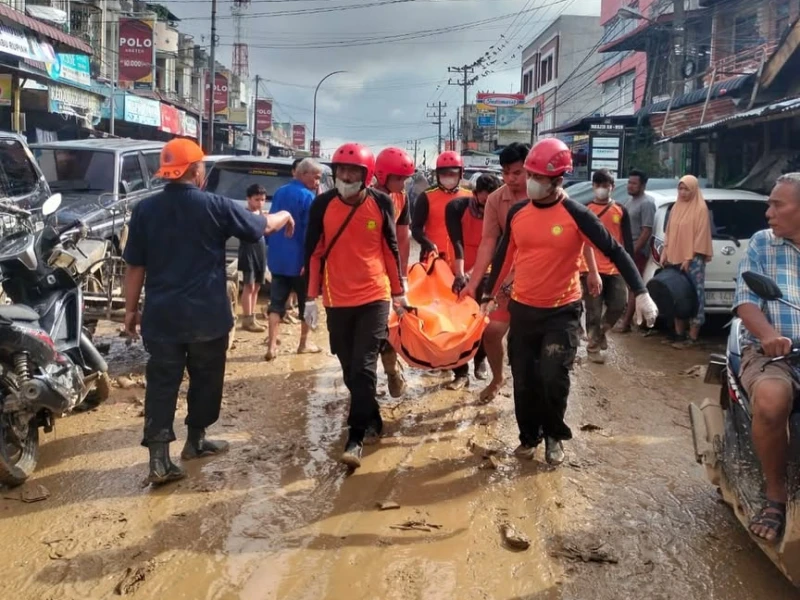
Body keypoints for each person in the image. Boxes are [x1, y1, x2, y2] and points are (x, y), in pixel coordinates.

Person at [122, 138, 295, 485]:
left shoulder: (145, 210)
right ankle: (195, 441)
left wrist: (130, 311)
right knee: (205, 379)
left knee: (161, 384)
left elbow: (134, 267)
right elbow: (260, 227)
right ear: (197, 170)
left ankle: (159, 460)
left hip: (162, 316)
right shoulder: (215, 205)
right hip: (207, 316)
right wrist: (286, 214)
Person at [483, 139, 658, 466]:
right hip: (523, 308)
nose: (531, 182)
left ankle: (553, 436)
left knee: (553, 375)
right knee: (523, 378)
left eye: (538, 176)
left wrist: (642, 292)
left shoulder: (577, 215)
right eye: (530, 173)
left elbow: (615, 250)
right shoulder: (519, 213)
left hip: (561, 312)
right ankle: (528, 436)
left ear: (558, 180)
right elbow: (504, 254)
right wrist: (487, 295)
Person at [304, 142, 407, 469]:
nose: (346, 177)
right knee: (349, 366)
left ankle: (356, 436)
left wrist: (398, 292)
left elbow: (391, 248)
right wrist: (309, 297)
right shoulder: (322, 205)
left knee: (363, 365)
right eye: (341, 171)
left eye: (353, 172)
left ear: (366, 176)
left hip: (374, 295)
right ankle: (373, 415)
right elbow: (314, 253)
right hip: (337, 299)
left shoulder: (380, 203)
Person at [733, 173, 800, 542]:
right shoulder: (763, 244)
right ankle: (776, 495)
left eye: (778, 205)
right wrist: (770, 336)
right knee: (773, 401)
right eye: (769, 203)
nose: (768, 213)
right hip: (772, 353)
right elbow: (746, 301)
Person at [459, 143, 529, 403]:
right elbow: (488, 241)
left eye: (517, 172)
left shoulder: (548, 195)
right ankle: (498, 377)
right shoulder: (497, 199)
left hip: (538, 276)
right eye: (506, 172)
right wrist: (474, 282)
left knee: (524, 342)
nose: (511, 178)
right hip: (505, 276)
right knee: (491, 331)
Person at [445, 173, 502, 389]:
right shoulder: (457, 207)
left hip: (487, 270)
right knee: (457, 322)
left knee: (483, 319)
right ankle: (460, 372)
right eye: (483, 200)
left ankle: (480, 360)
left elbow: (497, 247)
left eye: (491, 202)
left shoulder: (502, 213)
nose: (487, 206)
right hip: (459, 270)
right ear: (475, 194)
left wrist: (476, 274)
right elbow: (456, 241)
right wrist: (462, 274)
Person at [265, 158, 324, 360]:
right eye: (316, 178)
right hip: (300, 262)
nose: (317, 182)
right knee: (308, 303)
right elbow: (311, 233)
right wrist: (310, 261)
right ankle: (304, 343)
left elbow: (270, 223)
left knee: (276, 304)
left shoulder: (280, 192)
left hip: (278, 259)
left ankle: (272, 346)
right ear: (303, 174)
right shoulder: (308, 197)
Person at [373, 146, 415, 397]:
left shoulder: (402, 197)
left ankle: (390, 369)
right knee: (375, 327)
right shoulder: (367, 197)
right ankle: (385, 370)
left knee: (389, 324)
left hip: (390, 274)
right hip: (370, 271)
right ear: (382, 175)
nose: (403, 183)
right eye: (398, 178)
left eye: (405, 178)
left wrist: (403, 276)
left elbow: (403, 237)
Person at [580, 170, 634, 363]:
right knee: (593, 310)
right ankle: (593, 348)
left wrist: (630, 269)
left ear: (612, 187)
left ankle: (599, 334)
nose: (602, 188)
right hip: (590, 266)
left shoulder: (621, 210)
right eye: (598, 184)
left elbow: (626, 241)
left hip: (615, 267)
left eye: (606, 185)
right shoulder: (585, 210)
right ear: (593, 186)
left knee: (619, 304)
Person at [661, 175, 713, 347]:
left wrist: (689, 258)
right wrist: (665, 251)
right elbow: (669, 231)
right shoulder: (676, 207)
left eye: (686, 189)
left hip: (693, 260)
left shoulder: (700, 209)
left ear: (694, 190)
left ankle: (693, 335)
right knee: (677, 294)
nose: (683, 193)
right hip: (675, 257)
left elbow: (700, 235)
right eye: (680, 189)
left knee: (695, 296)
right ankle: (678, 334)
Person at [616, 169, 657, 333]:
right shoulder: (629, 201)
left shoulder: (647, 203)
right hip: (626, 249)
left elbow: (646, 231)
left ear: (643, 185)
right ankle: (627, 318)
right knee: (626, 286)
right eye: (629, 182)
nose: (630, 186)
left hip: (636, 252)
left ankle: (626, 323)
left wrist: (633, 252)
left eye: (634, 183)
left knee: (634, 286)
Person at [411, 151, 469, 262]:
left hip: (464, 260)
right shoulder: (426, 197)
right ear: (437, 174)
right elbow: (416, 228)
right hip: (434, 259)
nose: (448, 177)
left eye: (452, 174)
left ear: (461, 173)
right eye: (444, 174)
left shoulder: (470, 197)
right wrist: (428, 244)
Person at [238, 184, 269, 333]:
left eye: (262, 200)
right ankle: (247, 318)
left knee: (257, 286)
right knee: (248, 286)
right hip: (248, 250)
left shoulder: (261, 214)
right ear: (248, 199)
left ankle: (253, 317)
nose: (260, 203)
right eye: (257, 199)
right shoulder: (244, 214)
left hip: (260, 250)